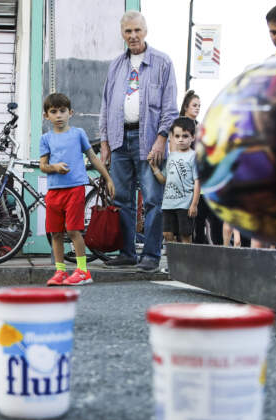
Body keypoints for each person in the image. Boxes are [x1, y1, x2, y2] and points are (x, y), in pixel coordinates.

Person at [99, 11, 177, 272]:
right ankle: (127, 253)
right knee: (121, 199)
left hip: (150, 140)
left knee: (153, 199)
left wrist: (161, 139)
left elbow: (170, 108)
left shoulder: (163, 62)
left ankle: (152, 255)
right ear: (122, 34)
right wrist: (105, 142)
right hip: (120, 139)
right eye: (127, 31)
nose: (132, 36)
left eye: (137, 30)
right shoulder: (116, 65)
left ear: (145, 31)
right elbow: (106, 105)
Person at [39, 93, 116, 287]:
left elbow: (93, 157)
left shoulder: (78, 133)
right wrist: (54, 168)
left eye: (63, 111)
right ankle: (60, 271)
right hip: (54, 191)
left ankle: (83, 271)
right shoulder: (46, 138)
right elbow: (43, 165)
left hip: (74, 189)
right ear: (46, 115)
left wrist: (107, 178)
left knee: (73, 230)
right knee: (55, 233)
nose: (59, 115)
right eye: (53, 111)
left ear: (70, 113)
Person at [151, 117, 200, 249]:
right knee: (167, 234)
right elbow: (164, 180)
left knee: (185, 235)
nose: (180, 139)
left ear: (193, 137)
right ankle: (173, 264)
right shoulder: (171, 156)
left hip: (185, 204)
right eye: (177, 136)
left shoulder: (193, 156)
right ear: (172, 137)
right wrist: (155, 168)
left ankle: (186, 265)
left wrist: (194, 204)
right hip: (168, 204)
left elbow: (197, 181)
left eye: (185, 136)